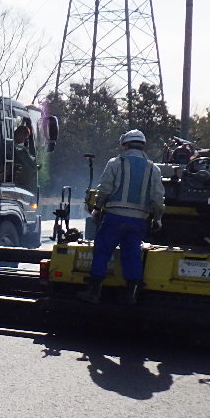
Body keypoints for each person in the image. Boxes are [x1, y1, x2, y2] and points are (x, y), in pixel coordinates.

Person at [79, 128, 166, 305]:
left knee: (102, 251)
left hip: (114, 216)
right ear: (143, 146)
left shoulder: (115, 163)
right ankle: (131, 296)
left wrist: (97, 208)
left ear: (125, 145)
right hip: (139, 220)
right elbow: (158, 198)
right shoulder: (153, 169)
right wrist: (157, 218)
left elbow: (104, 189)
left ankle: (94, 292)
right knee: (132, 254)